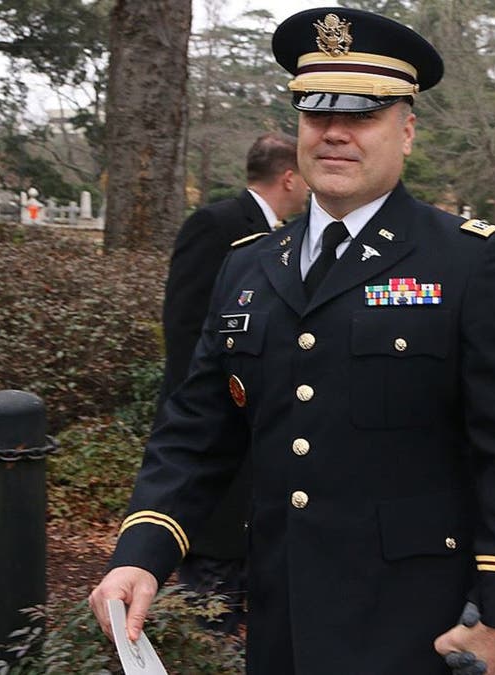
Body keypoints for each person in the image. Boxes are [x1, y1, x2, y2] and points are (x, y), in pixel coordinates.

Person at [89, 9, 495, 674]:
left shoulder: (463, 261)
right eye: (316, 112)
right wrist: (141, 553)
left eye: (363, 114)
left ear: (407, 130)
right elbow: (195, 429)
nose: (335, 132)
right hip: (281, 616)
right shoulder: (249, 264)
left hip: (417, 625)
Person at [158, 131, 309, 633]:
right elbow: (185, 333)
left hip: (259, 442)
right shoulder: (216, 224)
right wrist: (219, 413)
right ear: (289, 177)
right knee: (211, 576)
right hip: (221, 432)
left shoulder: (292, 238)